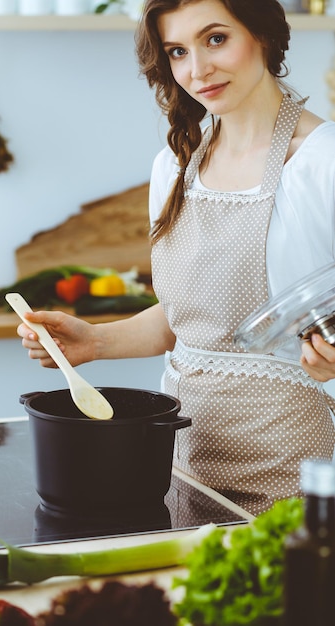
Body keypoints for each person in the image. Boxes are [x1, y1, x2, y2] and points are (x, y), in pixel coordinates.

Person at [17, 0, 335, 515]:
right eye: (177, 51)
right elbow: (187, 319)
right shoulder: (175, 166)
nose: (197, 70)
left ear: (263, 35)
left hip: (290, 464)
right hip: (181, 460)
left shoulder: (322, 162)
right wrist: (95, 341)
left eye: (216, 39)